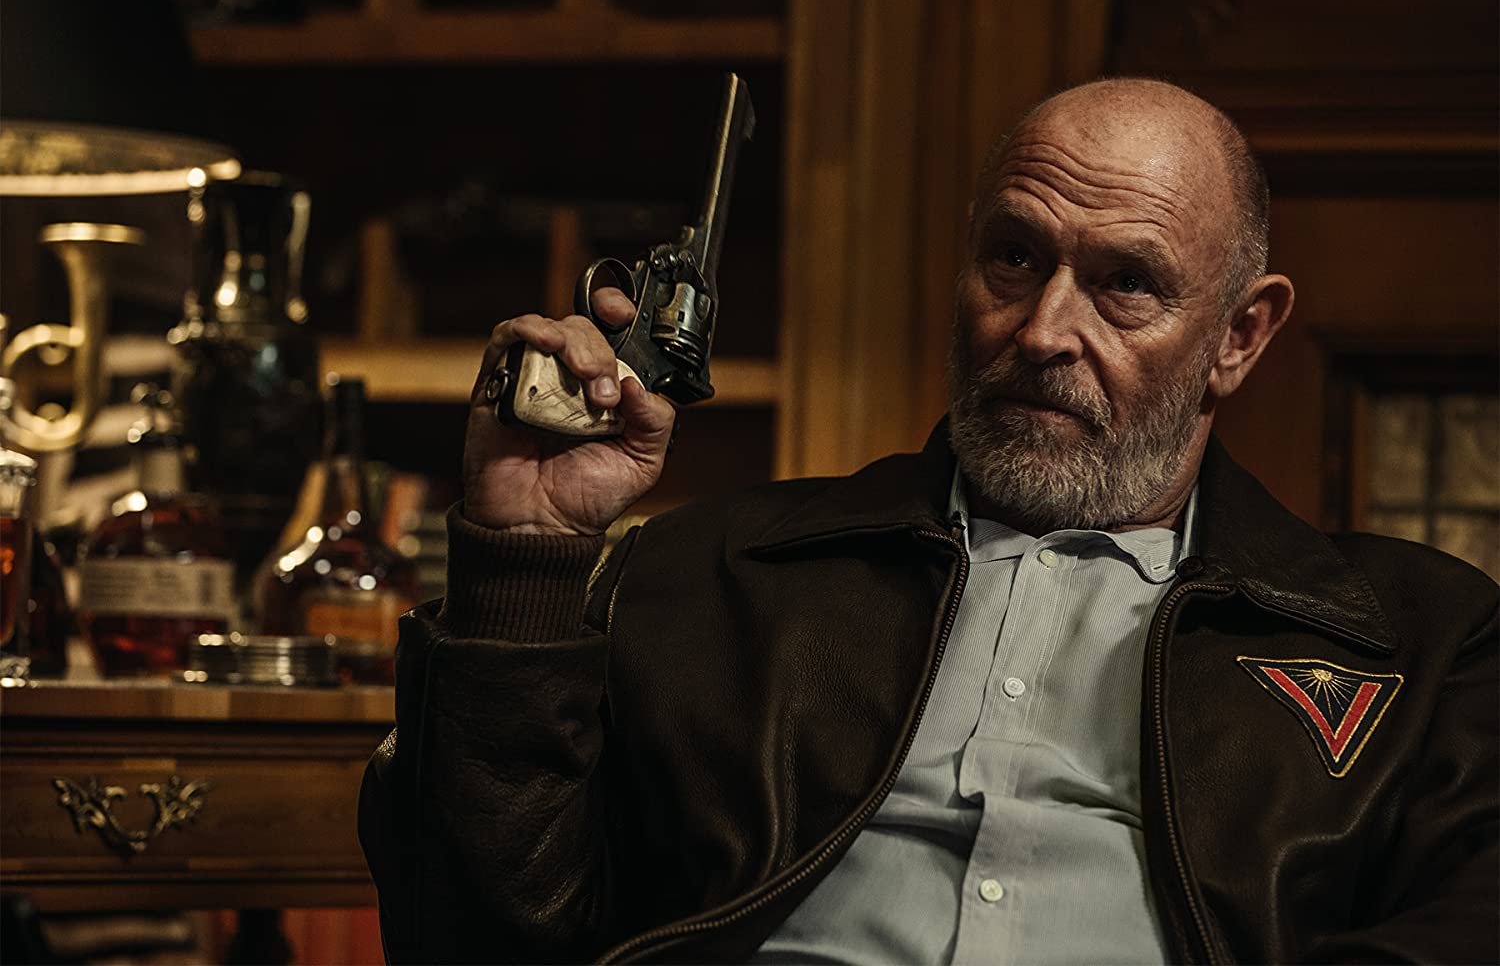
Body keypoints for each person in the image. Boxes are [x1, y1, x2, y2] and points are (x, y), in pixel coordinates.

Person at [358, 78, 1498, 964]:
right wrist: (524, 555)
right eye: (1014, 257)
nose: (1043, 330)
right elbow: (476, 938)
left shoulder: (1423, 643)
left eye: (1125, 284)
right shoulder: (705, 575)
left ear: (1239, 337)